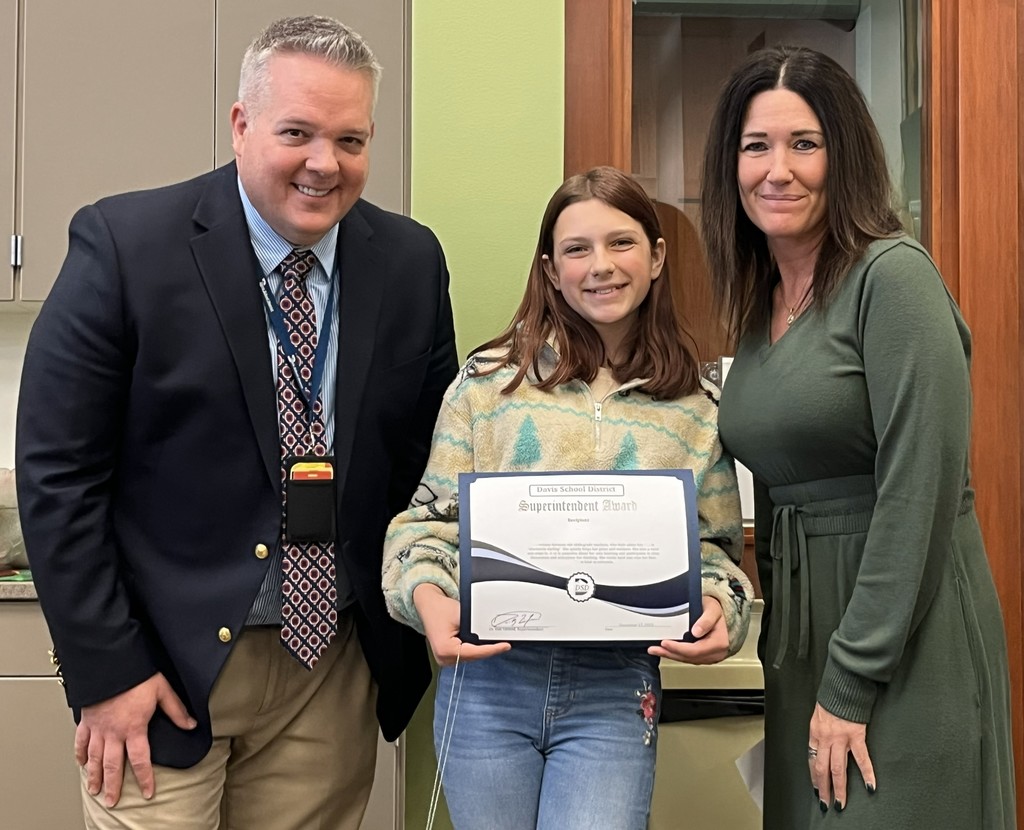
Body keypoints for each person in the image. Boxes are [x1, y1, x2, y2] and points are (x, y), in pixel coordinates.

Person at [15, 15, 457, 830]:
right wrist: (105, 670)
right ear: (242, 123)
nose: (325, 164)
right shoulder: (126, 244)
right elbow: (57, 476)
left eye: (351, 140)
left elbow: (426, 463)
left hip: (331, 670)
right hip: (164, 671)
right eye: (298, 132)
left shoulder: (410, 262)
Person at [382, 166, 754, 830]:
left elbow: (715, 557)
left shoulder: (696, 408)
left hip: (616, 690)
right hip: (490, 685)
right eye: (576, 250)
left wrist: (721, 611)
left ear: (657, 256)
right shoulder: (487, 385)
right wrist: (432, 606)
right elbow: (426, 531)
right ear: (551, 270)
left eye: (621, 243)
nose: (600, 266)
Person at [700, 45, 1016, 828]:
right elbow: (774, 491)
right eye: (756, 147)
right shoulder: (763, 303)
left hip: (902, 637)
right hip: (804, 643)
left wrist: (852, 677)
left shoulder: (892, 277)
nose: (778, 170)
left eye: (805, 143)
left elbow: (919, 490)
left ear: (845, 156)